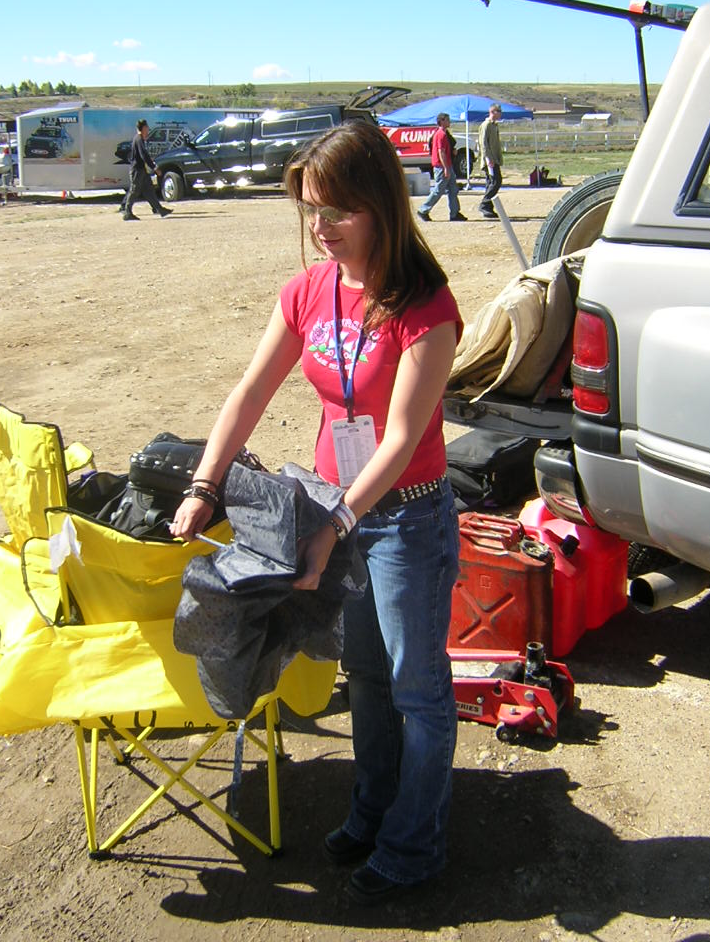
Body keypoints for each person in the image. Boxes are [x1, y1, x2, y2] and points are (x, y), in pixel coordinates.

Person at [170, 121, 462, 905]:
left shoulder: (426, 308)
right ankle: (373, 809)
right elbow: (250, 392)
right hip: (338, 513)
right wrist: (203, 484)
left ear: (380, 205)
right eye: (309, 209)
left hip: (404, 518)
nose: (320, 227)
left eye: (336, 210)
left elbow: (400, 441)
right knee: (363, 675)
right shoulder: (309, 292)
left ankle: (414, 844)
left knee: (416, 688)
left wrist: (334, 530)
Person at [417, 113, 467, 223]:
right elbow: (441, 152)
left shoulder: (444, 134)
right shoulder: (440, 135)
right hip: (441, 166)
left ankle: (455, 213)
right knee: (438, 190)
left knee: (453, 189)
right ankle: (423, 210)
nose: (449, 122)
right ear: (442, 121)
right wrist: (445, 168)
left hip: (447, 165)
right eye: (447, 120)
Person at [122, 119, 171, 221]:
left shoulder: (139, 139)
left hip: (141, 170)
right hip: (137, 170)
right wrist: (154, 168)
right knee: (134, 190)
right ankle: (127, 212)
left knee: (149, 190)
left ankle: (159, 209)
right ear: (143, 128)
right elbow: (144, 155)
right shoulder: (138, 139)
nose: (148, 129)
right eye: (147, 127)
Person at [478, 103, 503, 219]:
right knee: (496, 181)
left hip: (495, 158)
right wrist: (488, 159)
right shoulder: (486, 125)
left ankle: (488, 208)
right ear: (492, 112)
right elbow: (483, 144)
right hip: (489, 160)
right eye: (498, 111)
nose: (500, 114)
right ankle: (484, 204)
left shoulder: (495, 125)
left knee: (490, 183)